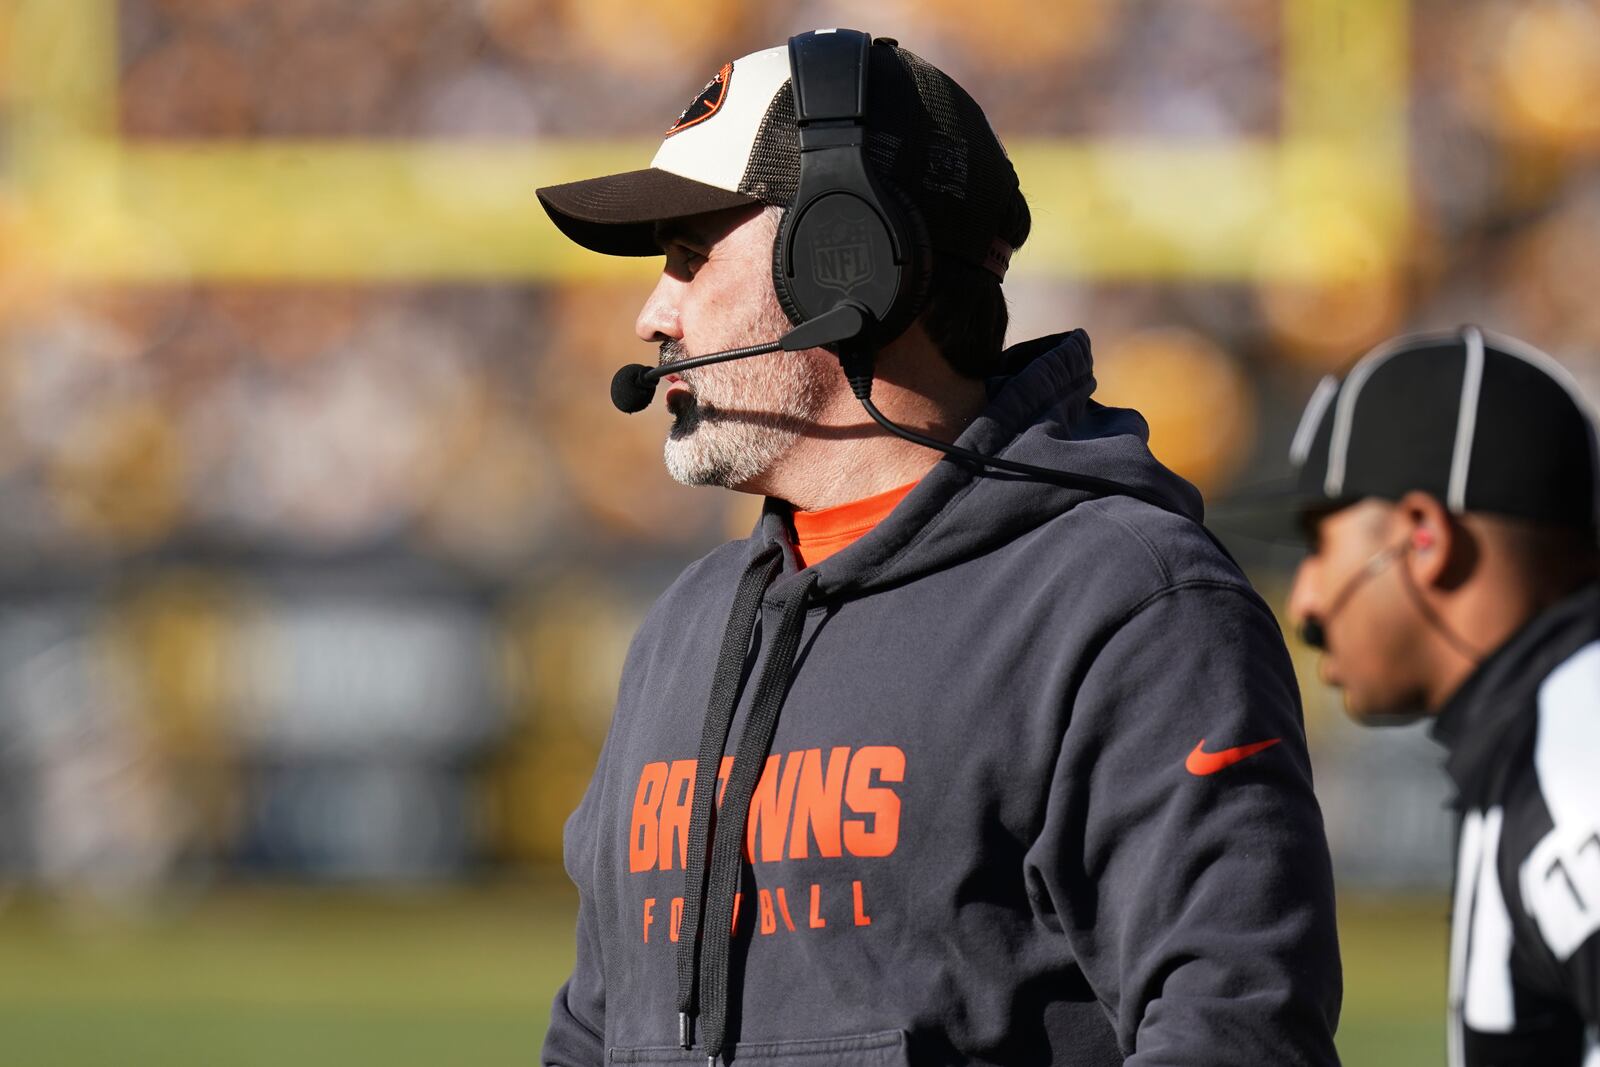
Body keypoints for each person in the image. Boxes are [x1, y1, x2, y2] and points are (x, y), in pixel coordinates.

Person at [535, 29, 1342, 1067]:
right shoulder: (682, 631)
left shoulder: (1131, 605)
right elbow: (593, 1036)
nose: (654, 314)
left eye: (692, 256)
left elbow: (1235, 1033)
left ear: (844, 257)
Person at [1255, 326, 1600, 1065]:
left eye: (1321, 542)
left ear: (1422, 537)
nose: (1307, 600)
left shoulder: (1576, 752)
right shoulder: (1532, 733)